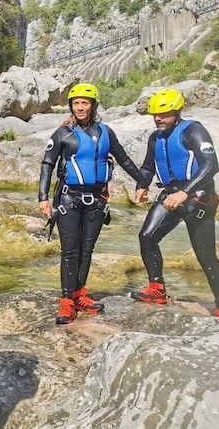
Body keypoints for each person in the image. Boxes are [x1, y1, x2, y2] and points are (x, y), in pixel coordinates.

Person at [39, 83, 150, 325]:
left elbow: (124, 159)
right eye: (76, 103)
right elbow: (47, 164)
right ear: (71, 106)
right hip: (68, 199)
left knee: (86, 251)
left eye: (84, 103)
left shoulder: (105, 132)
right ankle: (66, 302)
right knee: (70, 251)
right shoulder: (62, 134)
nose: (80, 107)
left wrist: (143, 182)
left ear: (93, 105)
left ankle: (80, 296)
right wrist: (43, 198)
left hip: (96, 201)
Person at [130, 88, 219, 321]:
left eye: (164, 113)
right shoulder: (154, 137)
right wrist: (142, 185)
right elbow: (148, 167)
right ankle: (157, 289)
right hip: (169, 195)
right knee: (147, 237)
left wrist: (184, 193)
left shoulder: (194, 130)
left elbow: (211, 165)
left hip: (198, 198)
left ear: (177, 111)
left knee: (205, 255)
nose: (158, 118)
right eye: (155, 115)